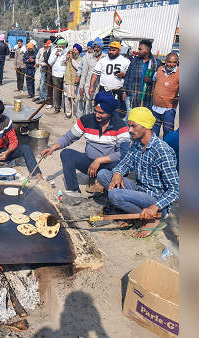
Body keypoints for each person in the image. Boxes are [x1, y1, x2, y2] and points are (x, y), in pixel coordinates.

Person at [96, 107, 179, 238]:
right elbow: (125, 163)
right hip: (140, 189)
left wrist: (155, 207)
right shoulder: (137, 144)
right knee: (103, 175)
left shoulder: (162, 151)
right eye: (129, 126)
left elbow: (175, 189)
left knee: (114, 195)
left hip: (156, 200)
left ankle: (151, 219)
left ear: (145, 127)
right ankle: (131, 211)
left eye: (133, 126)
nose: (130, 130)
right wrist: (118, 173)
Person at [40, 92, 130, 205]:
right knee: (66, 154)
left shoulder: (120, 126)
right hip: (90, 163)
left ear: (110, 113)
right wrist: (53, 148)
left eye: (101, 113)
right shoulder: (86, 120)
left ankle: (103, 186)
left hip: (109, 166)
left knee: (114, 169)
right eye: (95, 111)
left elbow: (123, 153)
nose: (97, 115)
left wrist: (99, 160)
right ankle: (73, 192)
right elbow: (69, 137)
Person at [122, 39, 161, 116]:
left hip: (147, 97)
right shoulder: (135, 60)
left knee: (143, 119)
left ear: (147, 50)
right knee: (131, 118)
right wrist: (124, 91)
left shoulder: (157, 63)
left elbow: (159, 80)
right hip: (132, 95)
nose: (138, 51)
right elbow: (128, 76)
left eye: (140, 49)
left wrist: (151, 80)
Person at [151, 53, 179, 137]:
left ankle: (168, 149)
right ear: (165, 61)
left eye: (174, 62)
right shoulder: (160, 69)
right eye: (169, 62)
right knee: (154, 132)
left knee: (168, 132)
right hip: (155, 108)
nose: (171, 64)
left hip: (169, 109)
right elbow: (154, 81)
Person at [79, 38, 103, 116]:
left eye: (98, 47)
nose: (96, 49)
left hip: (100, 87)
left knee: (97, 106)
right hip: (88, 86)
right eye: (95, 47)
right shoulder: (88, 58)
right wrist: (81, 87)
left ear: (101, 47)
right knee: (88, 105)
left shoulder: (105, 58)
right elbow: (84, 73)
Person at [62, 43, 83, 119]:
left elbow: (78, 67)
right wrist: (66, 56)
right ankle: (68, 113)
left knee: (73, 98)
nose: (74, 51)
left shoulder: (80, 60)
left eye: (75, 50)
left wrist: (72, 59)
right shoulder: (69, 58)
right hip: (66, 80)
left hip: (73, 81)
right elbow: (62, 63)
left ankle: (75, 113)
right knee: (66, 97)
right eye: (73, 49)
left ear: (79, 52)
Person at [48, 39, 69, 114]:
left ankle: (67, 109)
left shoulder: (67, 51)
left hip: (65, 74)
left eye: (62, 46)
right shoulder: (54, 51)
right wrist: (56, 55)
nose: (61, 47)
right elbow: (50, 63)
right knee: (56, 91)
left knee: (65, 92)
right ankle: (57, 107)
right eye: (59, 46)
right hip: (56, 74)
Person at [35, 40, 52, 104]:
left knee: (45, 85)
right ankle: (40, 97)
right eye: (44, 44)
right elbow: (37, 57)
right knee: (38, 83)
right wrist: (37, 63)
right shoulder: (41, 50)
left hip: (47, 69)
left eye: (47, 44)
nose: (45, 45)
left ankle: (44, 98)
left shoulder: (50, 51)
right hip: (40, 68)